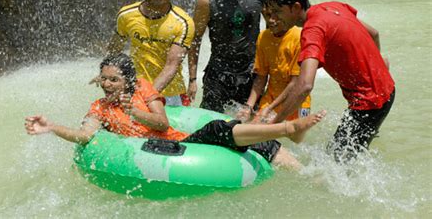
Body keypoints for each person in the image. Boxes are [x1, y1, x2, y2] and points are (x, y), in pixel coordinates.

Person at [25, 54, 326, 171]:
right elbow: (83, 136)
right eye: (103, 78)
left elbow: (162, 121)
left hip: (183, 140)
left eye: (113, 79)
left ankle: (308, 173)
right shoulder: (99, 108)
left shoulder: (143, 89)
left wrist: (136, 113)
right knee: (221, 131)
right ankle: (288, 128)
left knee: (233, 134)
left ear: (128, 80)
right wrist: (51, 127)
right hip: (160, 152)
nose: (106, 84)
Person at [261, 0, 395, 163]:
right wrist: (377, 66)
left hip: (370, 102)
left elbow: (305, 85)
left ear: (296, 7)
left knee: (335, 163)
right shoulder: (332, 6)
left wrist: (275, 125)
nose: (273, 18)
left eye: (278, 11)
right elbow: (374, 33)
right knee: (340, 157)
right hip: (386, 90)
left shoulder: (312, 31)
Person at [106, 0, 194, 106]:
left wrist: (147, 96)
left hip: (171, 94)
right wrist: (108, 77)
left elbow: (171, 65)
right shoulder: (126, 14)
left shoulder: (183, 22)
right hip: (134, 90)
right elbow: (114, 50)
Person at [188, 0, 264, 112]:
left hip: (251, 72)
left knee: (252, 126)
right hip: (218, 74)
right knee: (212, 124)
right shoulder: (207, 0)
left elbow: (276, 27)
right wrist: (192, 79)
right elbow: (195, 40)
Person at [236, 5, 311, 140]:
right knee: (252, 132)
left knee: (295, 141)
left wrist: (269, 108)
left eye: (275, 15)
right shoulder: (263, 37)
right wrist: (248, 106)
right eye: (266, 15)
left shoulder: (299, 36)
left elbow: (295, 83)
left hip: (296, 101)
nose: (271, 20)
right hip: (270, 98)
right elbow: (260, 78)